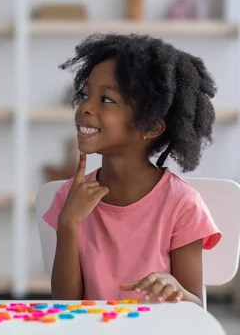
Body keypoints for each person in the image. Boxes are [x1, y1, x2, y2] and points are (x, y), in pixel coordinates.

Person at [42, 33, 221, 306]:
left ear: (150, 126)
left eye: (106, 100)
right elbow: (65, 303)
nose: (84, 108)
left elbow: (194, 308)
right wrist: (69, 223)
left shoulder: (182, 206)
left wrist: (175, 289)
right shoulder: (70, 197)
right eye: (85, 95)